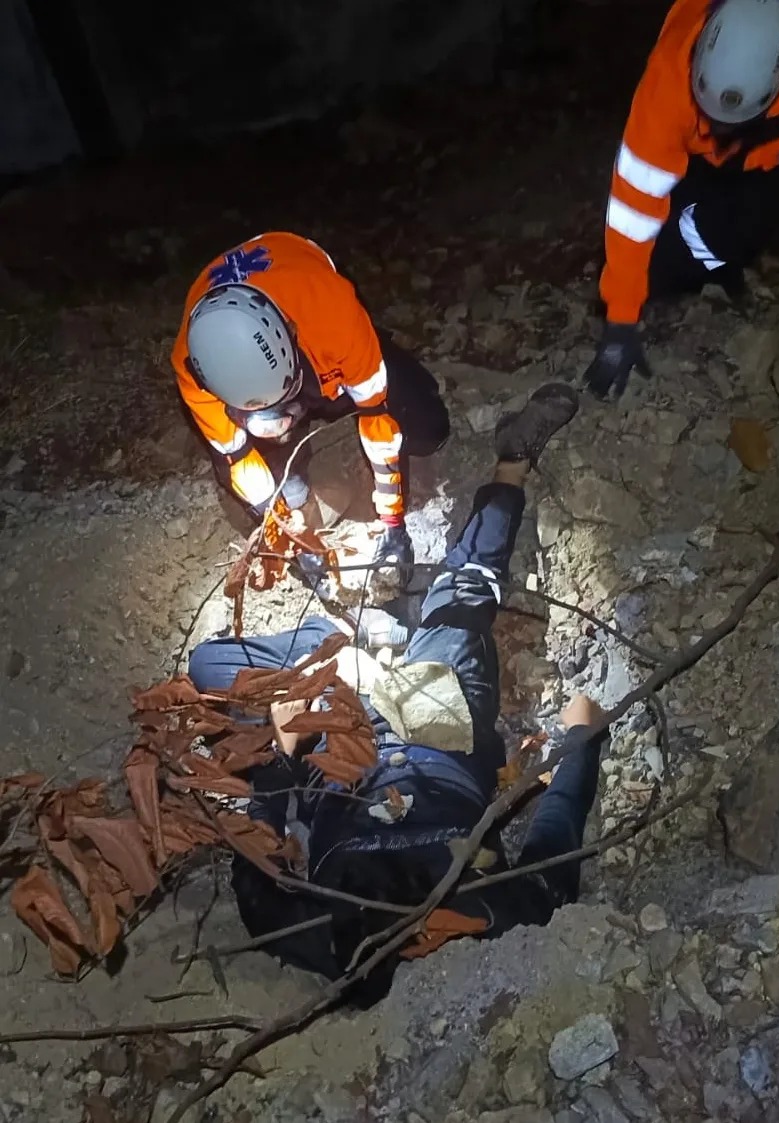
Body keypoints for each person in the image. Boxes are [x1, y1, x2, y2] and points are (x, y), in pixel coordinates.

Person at [188, 382, 611, 1006]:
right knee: (462, 601)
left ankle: (357, 635)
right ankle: (511, 464)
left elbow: (258, 874)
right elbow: (551, 868)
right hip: (443, 729)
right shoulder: (482, 912)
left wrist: (281, 757)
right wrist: (581, 742)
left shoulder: (328, 941)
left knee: (211, 668)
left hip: (346, 744)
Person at [585, 0, 779, 399]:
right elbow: (633, 203)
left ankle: (723, 252)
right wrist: (620, 319)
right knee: (667, 264)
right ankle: (699, 242)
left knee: (745, 227)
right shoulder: (668, 82)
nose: (716, 126)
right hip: (707, 140)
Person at [171, 231, 450, 580]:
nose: (282, 422)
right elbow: (237, 457)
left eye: (284, 405)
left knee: (427, 429)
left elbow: (379, 423)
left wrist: (393, 520)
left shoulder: (334, 317)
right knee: (258, 462)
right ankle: (295, 484)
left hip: (317, 324)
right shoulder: (194, 367)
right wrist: (288, 530)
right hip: (270, 360)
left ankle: (326, 394)